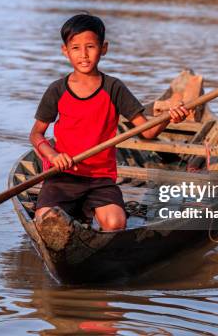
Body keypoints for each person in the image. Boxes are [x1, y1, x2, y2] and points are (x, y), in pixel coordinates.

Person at [30, 14, 190, 231]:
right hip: (62, 177)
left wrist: (170, 118)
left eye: (90, 46)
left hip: (100, 179)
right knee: (45, 220)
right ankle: (76, 215)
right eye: (76, 48)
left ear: (103, 48)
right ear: (65, 51)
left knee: (115, 224)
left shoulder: (114, 88)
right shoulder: (57, 90)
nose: (84, 55)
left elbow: (148, 132)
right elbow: (36, 134)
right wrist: (53, 156)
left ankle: (85, 218)